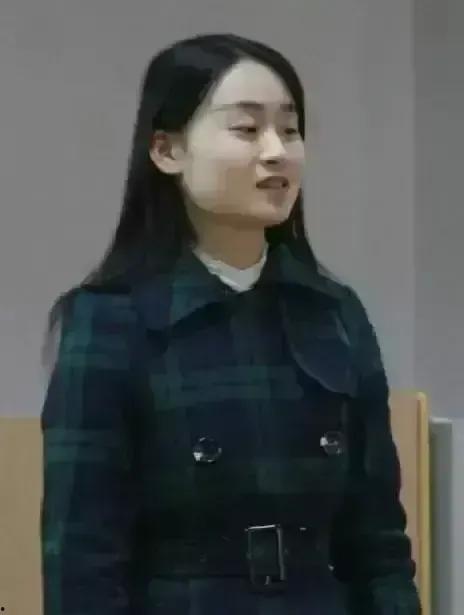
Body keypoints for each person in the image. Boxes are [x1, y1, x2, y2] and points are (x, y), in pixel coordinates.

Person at [40, 33, 422, 614]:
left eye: (290, 129)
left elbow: (380, 545)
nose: (276, 152)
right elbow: (81, 561)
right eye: (246, 129)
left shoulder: (334, 314)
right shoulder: (111, 318)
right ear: (167, 150)